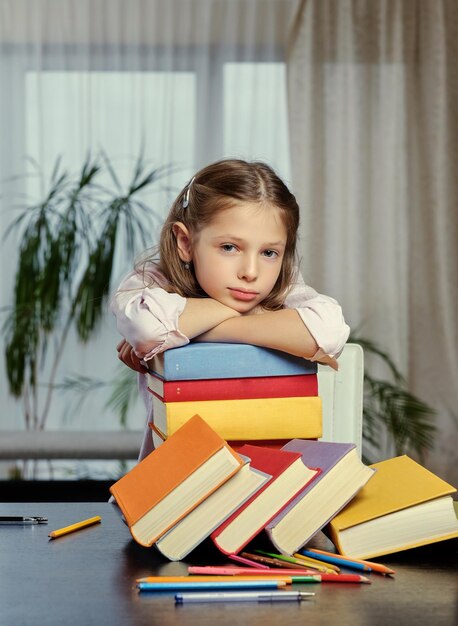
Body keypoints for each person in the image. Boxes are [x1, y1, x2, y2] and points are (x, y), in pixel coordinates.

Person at [111, 158, 350, 459]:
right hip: (177, 476)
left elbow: (329, 330)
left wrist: (195, 329)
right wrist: (263, 318)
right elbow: (148, 328)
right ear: (185, 242)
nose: (250, 272)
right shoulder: (149, 282)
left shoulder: (283, 288)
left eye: (269, 252)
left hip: (274, 470)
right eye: (229, 248)